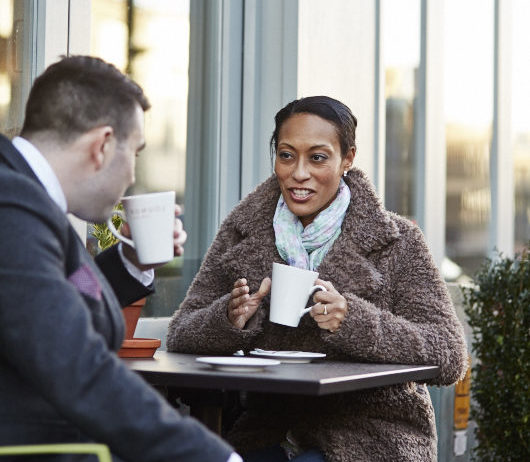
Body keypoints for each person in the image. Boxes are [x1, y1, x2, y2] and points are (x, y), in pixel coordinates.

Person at [167, 96, 468, 462]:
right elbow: (181, 332)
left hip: (372, 433)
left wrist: (354, 320)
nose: (299, 173)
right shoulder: (242, 232)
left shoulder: (398, 240)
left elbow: (449, 354)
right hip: (267, 426)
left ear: (348, 159)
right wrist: (228, 318)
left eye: (318, 158)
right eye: (287, 155)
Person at [0, 55, 241, 462]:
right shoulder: (12, 205)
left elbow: (51, 307)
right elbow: (75, 365)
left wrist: (133, 262)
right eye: (136, 153)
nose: (132, 174)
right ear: (102, 145)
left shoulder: (26, 199)